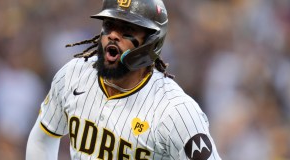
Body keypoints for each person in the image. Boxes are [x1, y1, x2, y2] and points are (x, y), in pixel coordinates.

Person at [26, 0, 221, 159]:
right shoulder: (73, 75)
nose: (112, 35)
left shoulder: (175, 111)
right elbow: (42, 139)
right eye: (109, 25)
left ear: (151, 42)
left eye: (127, 29)